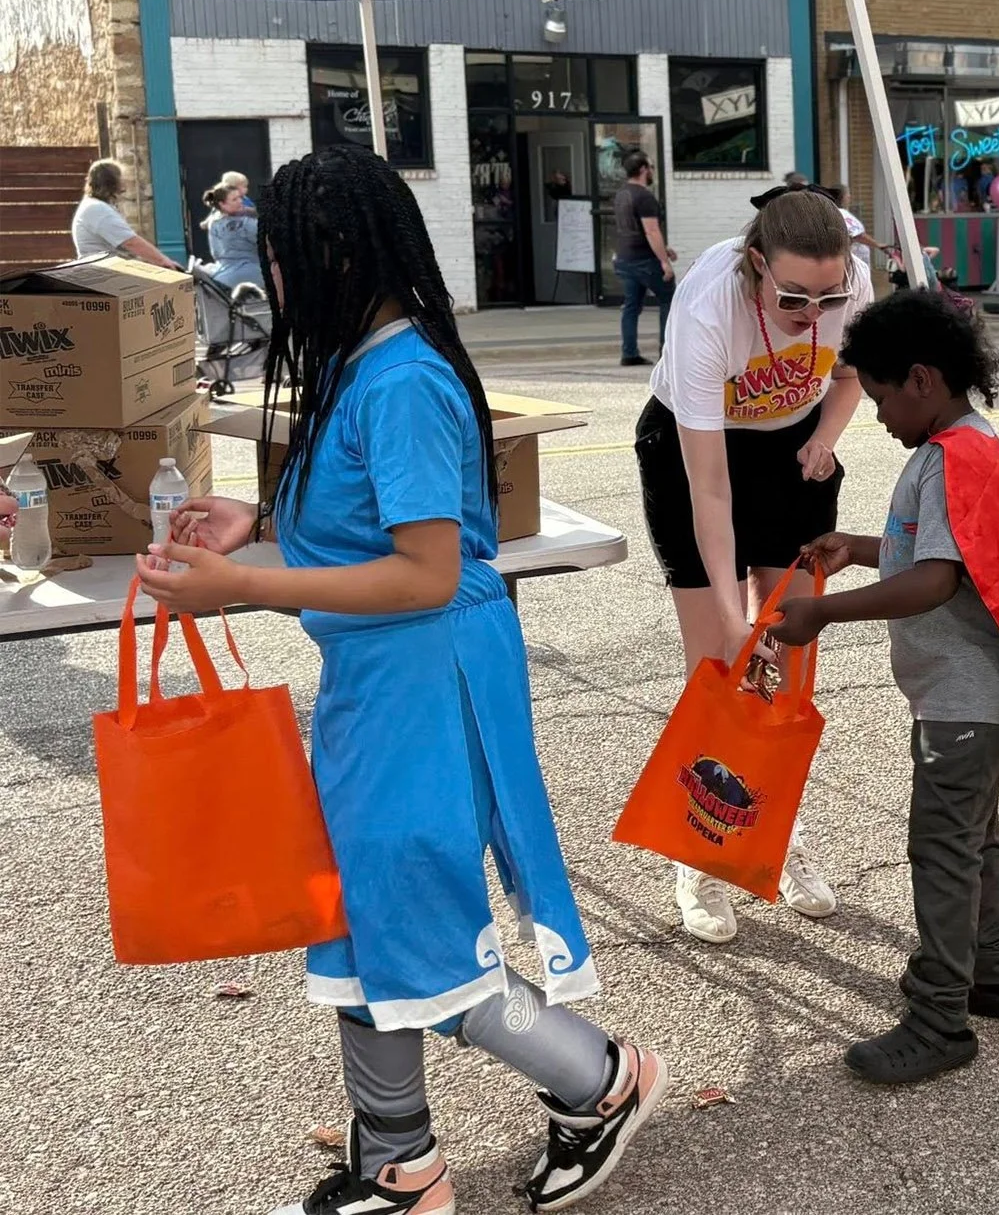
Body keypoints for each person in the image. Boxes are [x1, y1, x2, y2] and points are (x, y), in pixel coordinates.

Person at [135, 145, 663, 1214]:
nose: (270, 278)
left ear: (323, 255)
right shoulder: (358, 362)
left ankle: (598, 1079)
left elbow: (426, 571)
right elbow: (363, 524)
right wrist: (262, 524)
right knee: (360, 907)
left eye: (278, 257)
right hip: (381, 678)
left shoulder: (403, 378)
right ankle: (398, 1162)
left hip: (428, 678)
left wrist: (242, 580)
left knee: (413, 921)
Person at [768, 288, 999, 1084]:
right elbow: (930, 555)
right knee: (974, 835)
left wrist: (823, 614)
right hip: (975, 695)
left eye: (876, 398)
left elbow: (936, 581)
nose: (874, 417)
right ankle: (990, 974)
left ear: (921, 379)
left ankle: (939, 1017)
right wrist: (858, 546)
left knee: (942, 847)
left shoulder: (951, 458)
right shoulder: (963, 444)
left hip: (962, 699)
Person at [635, 184, 870, 944]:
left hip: (789, 450)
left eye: (826, 296)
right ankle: (699, 855)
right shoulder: (708, 308)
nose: (812, 313)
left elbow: (848, 375)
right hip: (694, 453)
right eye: (794, 297)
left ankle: (779, 829)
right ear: (755, 266)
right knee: (718, 664)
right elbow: (709, 489)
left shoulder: (848, 284)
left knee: (790, 664)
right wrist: (735, 622)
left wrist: (827, 436)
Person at [612, 151, 677, 367]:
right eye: (650, 167)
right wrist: (664, 262)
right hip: (644, 260)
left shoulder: (621, 194)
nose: (651, 172)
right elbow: (651, 231)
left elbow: (634, 229)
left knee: (631, 306)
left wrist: (664, 249)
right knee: (669, 300)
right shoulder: (644, 196)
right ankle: (666, 352)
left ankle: (629, 352)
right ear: (642, 170)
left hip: (624, 258)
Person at [71, 159, 177, 269]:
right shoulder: (97, 209)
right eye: (121, 177)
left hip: (104, 270)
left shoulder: (95, 206)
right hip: (102, 274)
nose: (124, 181)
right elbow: (131, 242)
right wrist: (164, 261)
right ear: (111, 182)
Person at [198, 181, 263, 292]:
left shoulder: (213, 224)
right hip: (255, 275)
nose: (240, 202)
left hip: (222, 277)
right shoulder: (246, 223)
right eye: (235, 199)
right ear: (222, 204)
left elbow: (216, 254)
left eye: (239, 198)